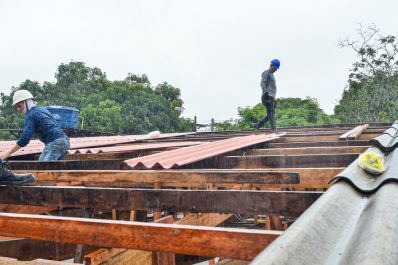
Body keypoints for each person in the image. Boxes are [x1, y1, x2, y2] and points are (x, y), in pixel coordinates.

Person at [0, 90, 70, 163]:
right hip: (65, 141)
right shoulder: (42, 110)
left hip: (56, 143)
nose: (18, 109)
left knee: (41, 168)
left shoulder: (30, 115)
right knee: (57, 170)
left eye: (19, 106)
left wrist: (8, 153)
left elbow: (25, 139)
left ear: (26, 103)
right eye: (16, 107)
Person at [253, 59, 280, 130]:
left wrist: (273, 98)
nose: (276, 70)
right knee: (271, 114)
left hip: (271, 97)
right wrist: (265, 93)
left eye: (277, 69)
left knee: (270, 114)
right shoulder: (266, 72)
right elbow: (262, 83)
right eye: (275, 68)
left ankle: (257, 124)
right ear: (271, 65)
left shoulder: (272, 75)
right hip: (267, 96)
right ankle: (274, 129)